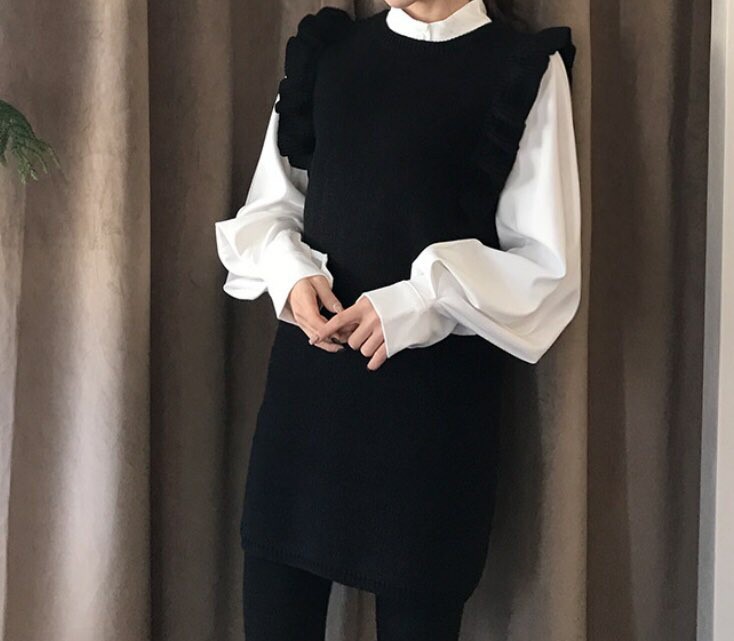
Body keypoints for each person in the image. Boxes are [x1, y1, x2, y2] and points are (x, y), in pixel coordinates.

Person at [213, 1, 581, 639]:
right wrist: (289, 272)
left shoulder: (520, 70)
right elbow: (272, 206)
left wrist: (417, 301)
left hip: (431, 428)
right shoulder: (327, 55)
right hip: (305, 414)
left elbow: (545, 269)